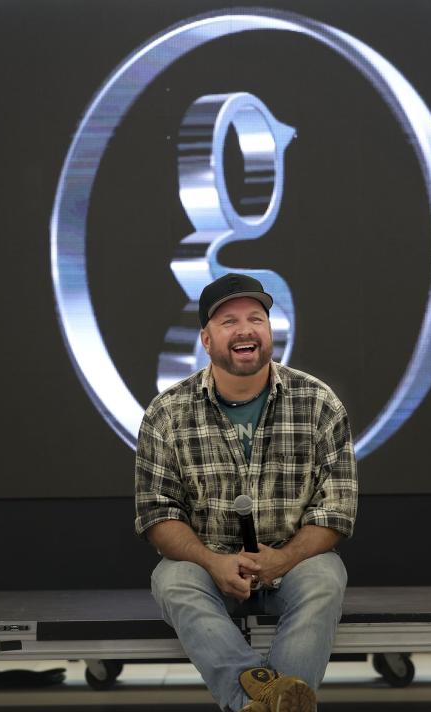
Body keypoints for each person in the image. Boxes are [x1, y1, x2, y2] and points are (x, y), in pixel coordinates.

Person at [135, 273, 358, 712]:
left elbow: (337, 509)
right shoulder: (166, 413)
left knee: (325, 577)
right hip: (209, 560)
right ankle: (275, 699)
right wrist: (212, 561)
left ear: (268, 332)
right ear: (206, 338)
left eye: (256, 318)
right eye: (228, 321)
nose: (245, 329)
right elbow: (157, 515)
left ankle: (248, 703)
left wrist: (283, 558)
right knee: (172, 580)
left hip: (291, 560)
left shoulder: (318, 402)